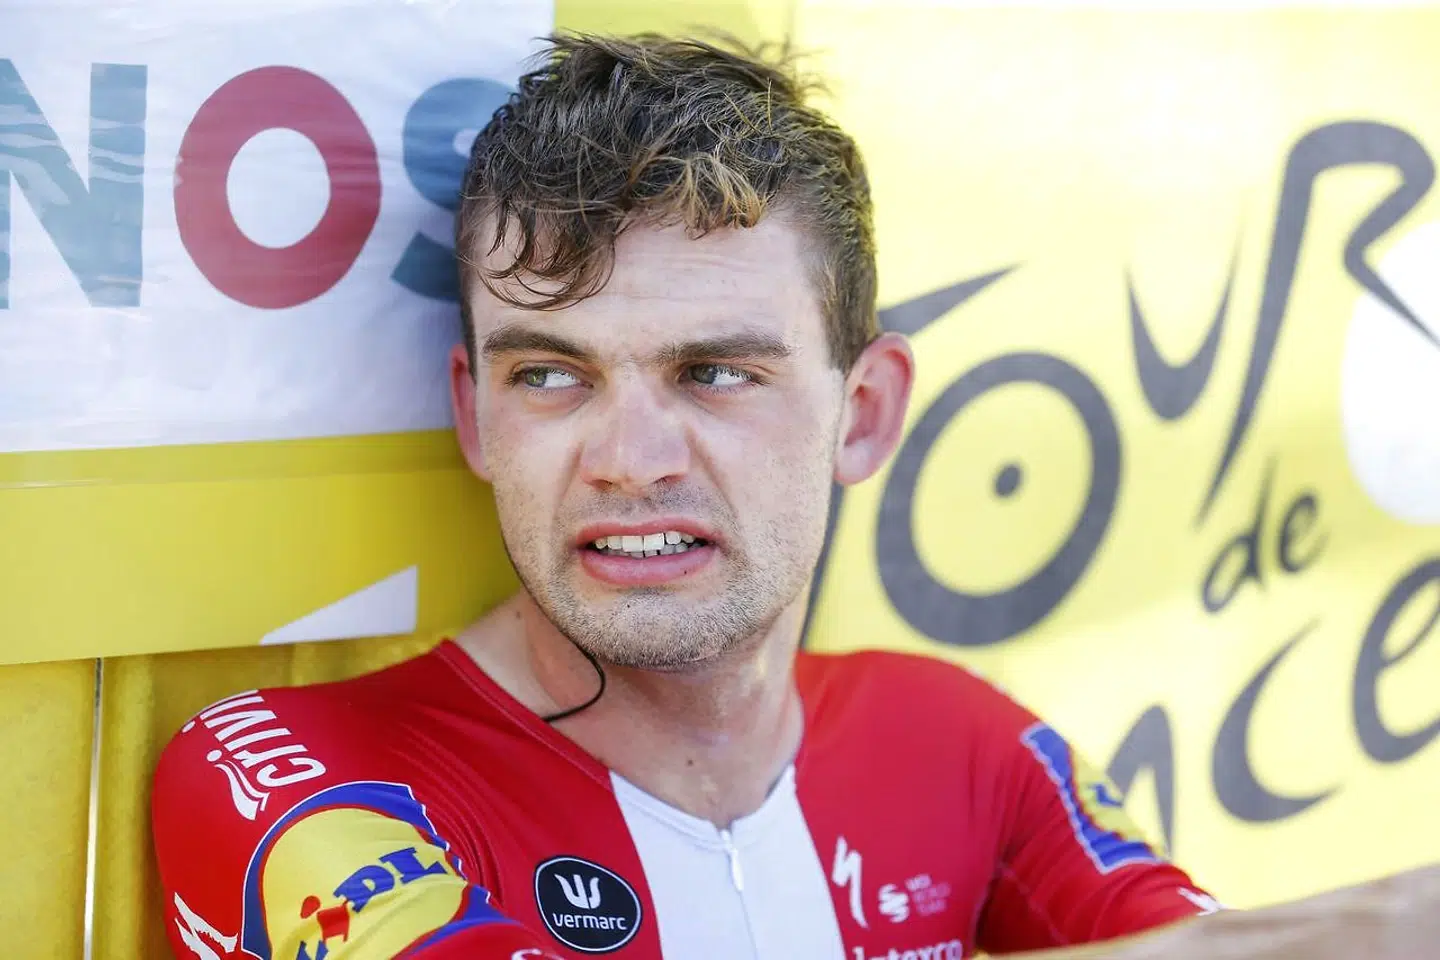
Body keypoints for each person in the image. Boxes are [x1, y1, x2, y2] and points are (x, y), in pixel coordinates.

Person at [149, 32, 1435, 960]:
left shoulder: (957, 740)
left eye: (714, 372)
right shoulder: (294, 777)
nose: (628, 457)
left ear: (863, 413)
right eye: (552, 374)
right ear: (477, 414)